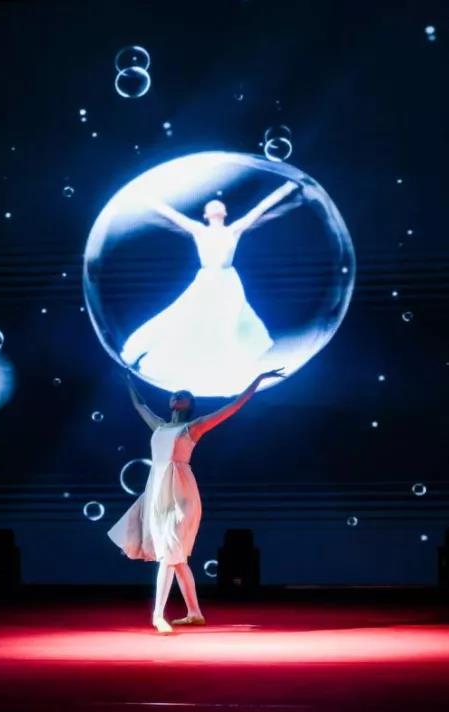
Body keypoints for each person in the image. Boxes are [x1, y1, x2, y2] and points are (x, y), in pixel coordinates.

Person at [107, 364, 286, 634]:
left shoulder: (193, 427)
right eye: (175, 394)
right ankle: (194, 613)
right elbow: (139, 405)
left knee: (169, 554)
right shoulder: (159, 426)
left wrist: (258, 380)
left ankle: (158, 615)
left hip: (181, 494)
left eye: (183, 395)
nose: (176, 395)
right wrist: (128, 380)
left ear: (190, 404)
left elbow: (232, 407)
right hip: (157, 493)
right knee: (177, 559)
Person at [118, 181, 299, 396]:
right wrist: (142, 196)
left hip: (228, 282)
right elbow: (170, 213)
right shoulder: (198, 230)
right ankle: (153, 355)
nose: (215, 206)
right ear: (205, 215)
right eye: (210, 205)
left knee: (226, 325)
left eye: (218, 204)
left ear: (225, 212)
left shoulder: (234, 230)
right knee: (182, 318)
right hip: (206, 281)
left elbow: (260, 209)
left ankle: (224, 373)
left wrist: (287, 187)